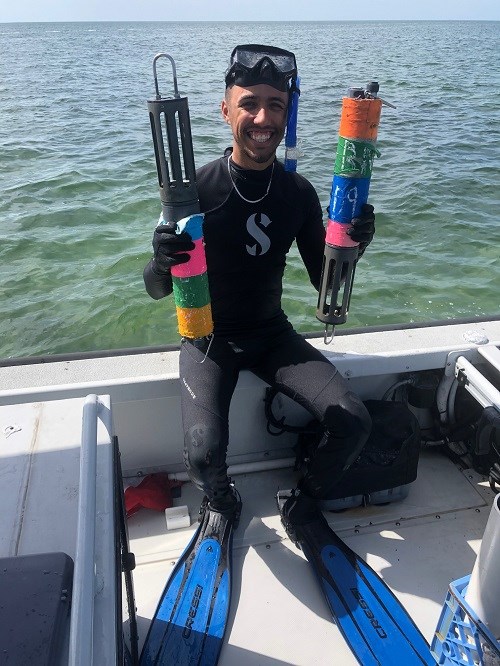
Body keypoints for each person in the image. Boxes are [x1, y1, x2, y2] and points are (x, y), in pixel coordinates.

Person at [143, 44, 375, 527]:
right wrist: (161, 260)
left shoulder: (298, 193)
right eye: (249, 103)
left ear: (287, 116)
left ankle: (304, 500)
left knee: (354, 421)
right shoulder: (195, 190)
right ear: (226, 109)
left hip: (272, 334)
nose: (262, 117)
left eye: (275, 105)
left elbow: (322, 279)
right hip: (207, 338)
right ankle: (223, 503)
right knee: (202, 455)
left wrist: (350, 244)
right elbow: (157, 290)